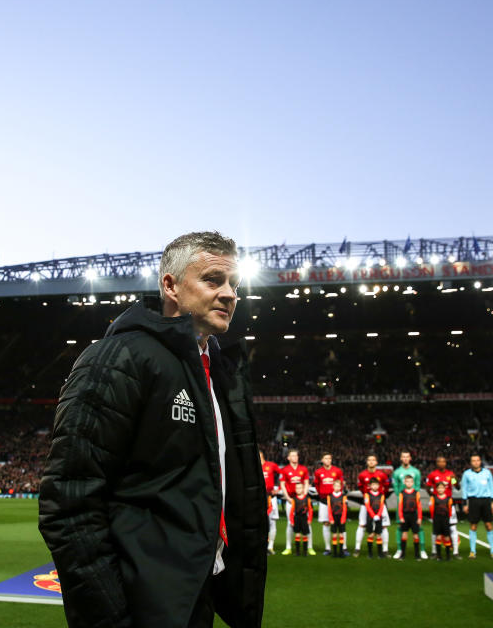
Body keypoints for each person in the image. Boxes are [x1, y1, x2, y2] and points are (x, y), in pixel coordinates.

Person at [38, 231, 267, 628]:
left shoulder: (222, 372)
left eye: (235, 284)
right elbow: (69, 501)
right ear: (170, 285)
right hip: (143, 603)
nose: (230, 294)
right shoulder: (118, 358)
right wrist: (111, 618)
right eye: (213, 280)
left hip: (198, 589)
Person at [461, 454, 493, 559]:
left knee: (489, 525)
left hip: (486, 500)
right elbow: (464, 489)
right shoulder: (467, 474)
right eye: (473, 460)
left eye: (477, 460)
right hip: (473, 501)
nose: (476, 462)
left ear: (480, 461)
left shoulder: (487, 473)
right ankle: (472, 551)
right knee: (473, 526)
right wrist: (464, 504)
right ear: (471, 462)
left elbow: (491, 487)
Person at [391, 450, 425, 559]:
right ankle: (400, 550)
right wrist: (400, 496)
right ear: (401, 458)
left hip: (413, 504)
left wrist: (413, 497)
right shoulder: (396, 472)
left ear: (410, 458)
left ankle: (422, 550)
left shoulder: (416, 472)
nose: (405, 458)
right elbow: (395, 486)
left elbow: (418, 485)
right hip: (402, 503)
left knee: (419, 528)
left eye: (407, 457)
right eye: (403, 457)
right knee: (400, 527)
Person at [279, 449, 313, 556]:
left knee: (307, 523)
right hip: (291, 500)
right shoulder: (284, 470)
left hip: (302, 500)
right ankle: (288, 547)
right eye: (292, 455)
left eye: (296, 455)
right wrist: (288, 497)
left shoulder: (303, 469)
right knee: (290, 523)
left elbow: (307, 482)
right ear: (288, 458)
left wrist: (304, 495)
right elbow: (283, 485)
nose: (295, 457)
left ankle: (309, 547)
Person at [355, 455, 391, 555]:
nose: (371, 462)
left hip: (380, 503)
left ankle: (385, 550)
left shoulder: (382, 475)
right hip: (366, 503)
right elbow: (360, 487)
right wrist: (367, 496)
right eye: (369, 460)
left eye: (373, 460)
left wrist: (380, 496)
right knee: (362, 524)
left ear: (376, 462)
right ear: (367, 462)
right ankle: (357, 548)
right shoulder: (362, 475)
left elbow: (387, 486)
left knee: (384, 526)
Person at [425, 455, 460, 557]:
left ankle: (455, 552)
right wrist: (434, 497)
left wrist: (455, 480)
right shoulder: (432, 475)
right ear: (436, 463)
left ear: (446, 463)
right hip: (437, 504)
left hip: (449, 503)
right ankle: (434, 551)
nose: (441, 463)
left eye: (443, 462)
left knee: (453, 527)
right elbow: (427, 487)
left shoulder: (450, 474)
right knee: (436, 529)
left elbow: (457, 487)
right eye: (439, 462)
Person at [314, 452, 344, 555]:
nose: (328, 460)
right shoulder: (318, 472)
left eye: (329, 458)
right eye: (326, 458)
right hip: (324, 501)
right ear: (322, 460)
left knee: (340, 523)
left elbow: (341, 483)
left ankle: (343, 547)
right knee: (326, 523)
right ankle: (328, 548)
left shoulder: (337, 471)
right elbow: (317, 485)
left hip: (336, 501)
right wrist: (322, 494)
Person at [396, 474, 422, 560]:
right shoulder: (402, 493)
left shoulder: (416, 493)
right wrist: (401, 517)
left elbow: (419, 506)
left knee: (415, 535)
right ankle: (402, 554)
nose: (409, 483)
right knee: (404, 534)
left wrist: (419, 518)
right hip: (405, 515)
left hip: (414, 516)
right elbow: (399, 506)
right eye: (407, 481)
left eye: (411, 481)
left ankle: (417, 554)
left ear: (413, 482)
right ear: (404, 482)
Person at [362, 477, 389, 558]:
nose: (375, 486)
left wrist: (378, 515)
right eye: (373, 485)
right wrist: (373, 515)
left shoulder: (381, 495)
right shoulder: (367, 495)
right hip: (370, 518)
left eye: (377, 485)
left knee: (378, 535)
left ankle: (380, 554)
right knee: (370, 534)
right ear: (370, 486)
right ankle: (370, 553)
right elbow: (367, 506)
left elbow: (381, 506)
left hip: (379, 517)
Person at [260, 451, 280, 555]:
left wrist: (279, 488)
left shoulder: (271, 465)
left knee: (272, 523)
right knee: (260, 523)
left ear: (262, 455)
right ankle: (261, 546)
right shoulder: (254, 467)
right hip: (258, 498)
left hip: (270, 497)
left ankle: (270, 546)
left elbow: (283, 474)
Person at [430, 481, 454, 561]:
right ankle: (439, 556)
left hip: (445, 520)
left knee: (447, 537)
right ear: (436, 489)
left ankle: (448, 556)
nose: (440, 489)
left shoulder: (449, 499)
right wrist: (434, 518)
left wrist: (448, 518)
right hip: (437, 520)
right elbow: (431, 509)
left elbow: (450, 510)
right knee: (438, 536)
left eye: (442, 488)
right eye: (439, 488)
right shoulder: (433, 498)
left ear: (445, 488)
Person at [289, 482, 313, 557]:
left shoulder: (307, 499)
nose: (298, 489)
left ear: (303, 489)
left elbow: (310, 510)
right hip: (297, 518)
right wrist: (292, 521)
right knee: (297, 534)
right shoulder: (294, 499)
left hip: (304, 518)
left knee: (304, 535)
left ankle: (305, 551)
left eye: (300, 488)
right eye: (297, 488)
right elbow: (291, 511)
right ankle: (297, 552)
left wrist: (309, 520)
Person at [327, 478, 348, 558]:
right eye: (335, 486)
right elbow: (329, 508)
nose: (337, 487)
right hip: (333, 517)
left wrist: (343, 518)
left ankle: (341, 552)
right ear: (333, 487)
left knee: (341, 534)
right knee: (334, 535)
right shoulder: (329, 496)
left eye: (338, 486)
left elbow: (345, 508)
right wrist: (331, 518)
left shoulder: (343, 496)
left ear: (340, 487)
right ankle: (335, 552)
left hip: (341, 517)